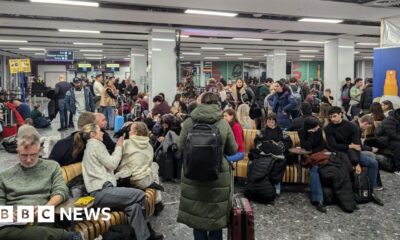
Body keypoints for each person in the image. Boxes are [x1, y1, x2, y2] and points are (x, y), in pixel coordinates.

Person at [80, 123, 163, 240]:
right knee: (140, 195)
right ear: (92, 134)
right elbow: (112, 164)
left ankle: (144, 237)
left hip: (105, 190)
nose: (103, 133)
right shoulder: (95, 145)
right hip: (100, 191)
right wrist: (119, 146)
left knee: (134, 207)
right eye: (100, 131)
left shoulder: (94, 145)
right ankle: (146, 232)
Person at [0, 126, 81, 240]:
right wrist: (6, 213)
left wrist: (46, 208)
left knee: (5, 235)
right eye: (24, 155)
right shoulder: (5, 175)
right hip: (15, 222)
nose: (28, 159)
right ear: (17, 151)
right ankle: (66, 237)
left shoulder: (51, 167)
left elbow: (61, 190)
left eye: (33, 155)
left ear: (39, 150)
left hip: (42, 217)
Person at [177, 92, 237, 240]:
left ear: (200, 103)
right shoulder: (222, 123)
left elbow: (180, 146)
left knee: (198, 217)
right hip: (217, 175)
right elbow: (233, 149)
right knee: (215, 218)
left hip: (192, 173)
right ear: (218, 104)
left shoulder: (190, 122)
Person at [324, 107, 383, 205]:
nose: (332, 119)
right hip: (339, 154)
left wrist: (356, 161)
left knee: (373, 163)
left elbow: (357, 147)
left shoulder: (352, 126)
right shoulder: (328, 128)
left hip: (351, 153)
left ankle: (370, 191)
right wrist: (349, 146)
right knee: (349, 166)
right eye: (330, 117)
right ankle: (350, 193)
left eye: (334, 116)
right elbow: (333, 146)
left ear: (341, 114)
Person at [116, 121, 164, 214]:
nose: (129, 132)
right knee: (153, 168)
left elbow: (116, 162)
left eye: (130, 130)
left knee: (152, 169)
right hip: (144, 179)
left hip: (129, 179)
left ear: (136, 132)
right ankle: (157, 202)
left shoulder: (126, 143)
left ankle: (157, 202)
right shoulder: (149, 146)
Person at [298, 117, 326, 212]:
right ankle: (319, 200)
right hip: (307, 157)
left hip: (317, 155)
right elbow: (306, 147)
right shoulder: (301, 132)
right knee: (314, 169)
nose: (318, 127)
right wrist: (310, 134)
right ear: (310, 127)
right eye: (316, 126)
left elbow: (322, 145)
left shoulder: (319, 131)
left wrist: (313, 152)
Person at [381, 108, 400, 175]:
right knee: (398, 146)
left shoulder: (397, 118)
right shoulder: (390, 120)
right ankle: (397, 168)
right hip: (384, 138)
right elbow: (392, 134)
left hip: (393, 138)